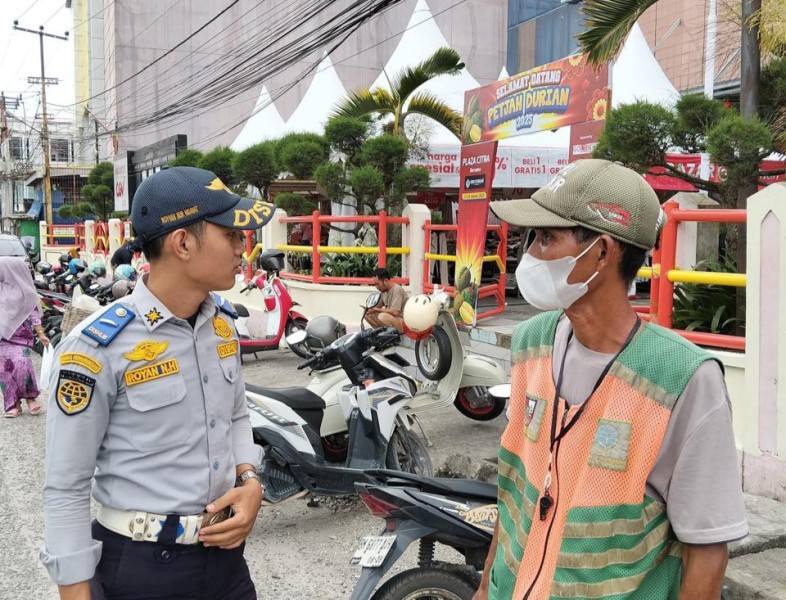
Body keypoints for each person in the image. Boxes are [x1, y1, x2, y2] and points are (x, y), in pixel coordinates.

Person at [474, 159, 747, 600]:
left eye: (546, 238)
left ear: (601, 252)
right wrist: (486, 586)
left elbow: (707, 550)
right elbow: (515, 491)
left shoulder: (684, 379)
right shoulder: (530, 344)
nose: (531, 255)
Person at [41, 166, 277, 600]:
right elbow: (66, 486)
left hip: (225, 567)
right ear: (182, 243)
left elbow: (237, 415)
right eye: (231, 235)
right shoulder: (96, 348)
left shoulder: (221, 325)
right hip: (141, 569)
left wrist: (250, 481)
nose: (244, 248)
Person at [0, 256, 49, 417]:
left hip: (21, 337)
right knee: (4, 371)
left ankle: (31, 398)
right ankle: (12, 404)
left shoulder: (25, 292)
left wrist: (41, 333)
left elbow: (33, 314)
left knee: (23, 364)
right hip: (2, 338)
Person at [364, 267, 408, 332]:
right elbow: (377, 306)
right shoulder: (383, 291)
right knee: (367, 314)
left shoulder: (397, 290)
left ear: (386, 281)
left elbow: (395, 312)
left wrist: (376, 310)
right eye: (375, 284)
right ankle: (380, 333)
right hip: (392, 318)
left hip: (402, 321)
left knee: (383, 316)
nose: (376, 287)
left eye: (377, 284)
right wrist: (369, 309)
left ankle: (389, 334)